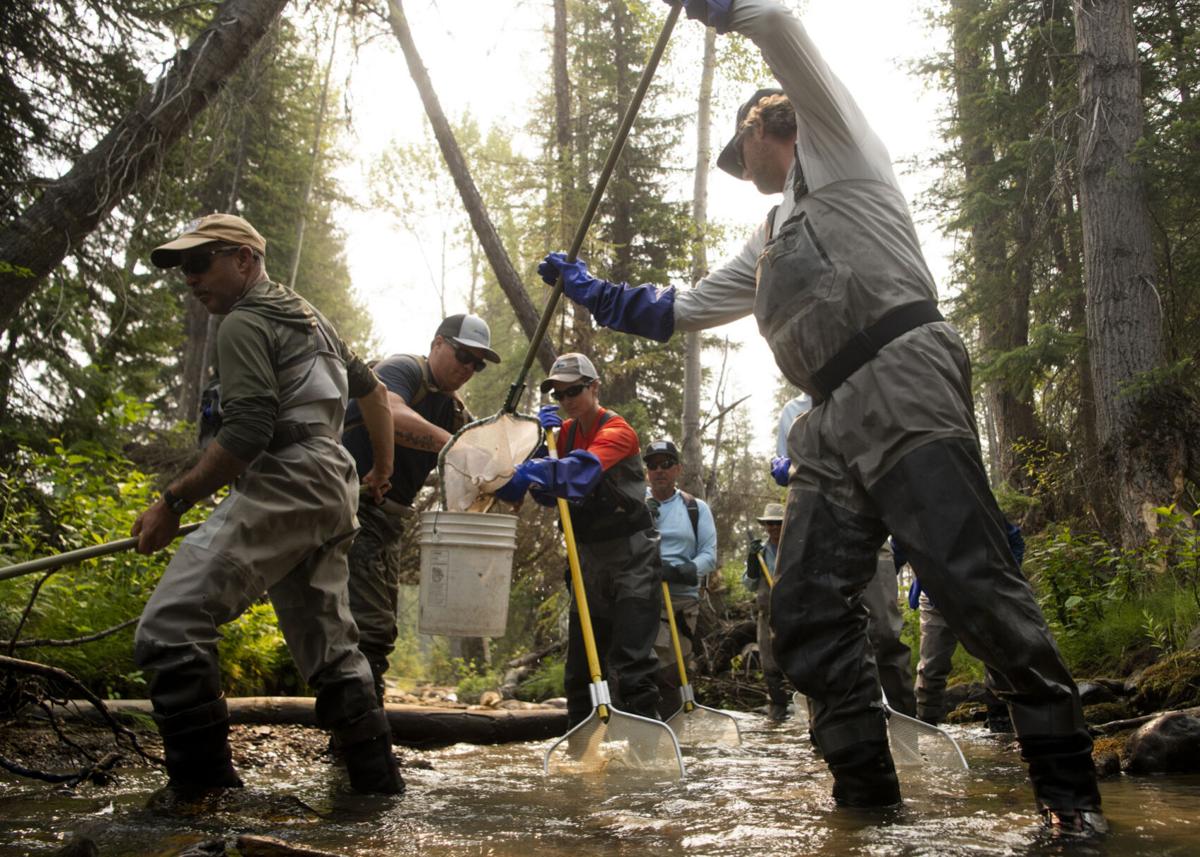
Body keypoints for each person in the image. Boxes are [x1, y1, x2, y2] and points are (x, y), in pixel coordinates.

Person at [537, 0, 1102, 831]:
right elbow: (680, 307)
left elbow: (777, 25)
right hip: (828, 419)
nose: (742, 165)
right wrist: (593, 291)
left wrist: (725, 9)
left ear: (777, 125)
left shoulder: (842, 148)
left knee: (972, 587)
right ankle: (867, 801)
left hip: (904, 378)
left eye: (745, 150)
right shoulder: (768, 236)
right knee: (800, 609)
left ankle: (1069, 799)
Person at [130, 213, 403, 795]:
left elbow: (249, 430)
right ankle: (375, 791)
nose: (190, 277)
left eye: (201, 262)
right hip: (333, 484)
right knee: (332, 648)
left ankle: (202, 796)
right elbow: (375, 392)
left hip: (287, 479)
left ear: (245, 260)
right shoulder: (313, 320)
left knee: (169, 626)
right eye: (184, 267)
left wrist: (171, 502)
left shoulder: (244, 322)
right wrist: (381, 470)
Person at [496, 353, 662, 726]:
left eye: (574, 390)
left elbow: (582, 473)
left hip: (632, 559)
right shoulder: (561, 437)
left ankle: (646, 757)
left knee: (631, 664)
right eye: (559, 394)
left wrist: (536, 468)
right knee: (581, 671)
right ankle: (582, 754)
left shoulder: (618, 432)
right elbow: (546, 494)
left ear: (595, 388)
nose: (567, 400)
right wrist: (538, 446)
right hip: (588, 562)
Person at [340, 314, 499, 703]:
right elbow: (387, 413)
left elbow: (486, 460)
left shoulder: (456, 412)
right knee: (370, 629)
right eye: (463, 355)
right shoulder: (404, 369)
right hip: (350, 510)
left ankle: (353, 729)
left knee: (377, 628)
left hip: (388, 522)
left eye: (477, 364)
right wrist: (456, 446)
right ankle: (360, 738)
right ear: (438, 343)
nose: (467, 368)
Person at [899, 522, 1027, 730]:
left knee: (997, 658)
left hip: (981, 594)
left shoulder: (973, 501)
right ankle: (926, 727)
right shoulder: (913, 510)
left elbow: (1014, 539)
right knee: (932, 667)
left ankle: (1001, 723)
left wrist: (1004, 582)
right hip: (935, 600)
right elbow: (896, 550)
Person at [642, 439, 718, 719]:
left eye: (666, 464)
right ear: (647, 471)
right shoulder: (638, 505)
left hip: (683, 600)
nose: (659, 470)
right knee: (655, 667)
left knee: (674, 669)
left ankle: (674, 731)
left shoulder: (695, 508)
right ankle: (657, 731)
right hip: (644, 596)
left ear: (677, 469)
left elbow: (709, 556)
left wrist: (680, 570)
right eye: (652, 465)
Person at [742, 502, 790, 721]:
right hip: (766, 615)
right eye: (770, 524)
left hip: (793, 614)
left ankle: (799, 708)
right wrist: (752, 564)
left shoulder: (795, 547)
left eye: (778, 523)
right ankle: (777, 710)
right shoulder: (759, 551)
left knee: (795, 660)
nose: (773, 528)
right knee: (769, 664)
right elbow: (750, 585)